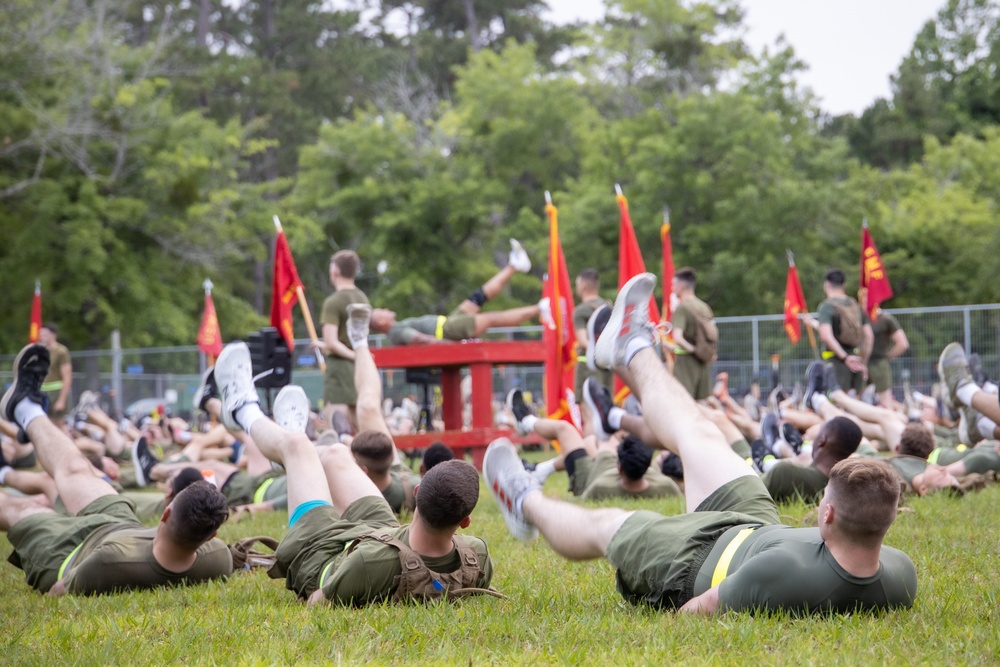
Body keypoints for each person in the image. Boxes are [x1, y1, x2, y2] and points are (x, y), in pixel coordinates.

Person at [484, 273, 916, 614]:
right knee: (700, 433)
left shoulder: (784, 572)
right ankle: (630, 347)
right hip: (754, 527)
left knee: (608, 525)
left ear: (828, 513)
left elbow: (693, 613)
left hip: (689, 559)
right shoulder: (900, 574)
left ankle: (522, 500)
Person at [211, 308, 494, 605]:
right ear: (465, 522)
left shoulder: (371, 565)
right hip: (387, 535)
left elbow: (317, 601)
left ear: (418, 491)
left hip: (323, 553)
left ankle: (243, 411)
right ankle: (287, 455)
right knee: (335, 453)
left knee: (298, 445)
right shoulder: (477, 555)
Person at [0, 344, 232, 595]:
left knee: (20, 509)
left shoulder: (108, 564)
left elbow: (59, 591)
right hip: (122, 528)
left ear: (165, 513)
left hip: (67, 556)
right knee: (77, 468)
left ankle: (25, 412)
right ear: (212, 536)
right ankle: (24, 407)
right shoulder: (219, 559)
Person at [508, 385, 681, 501]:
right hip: (614, 469)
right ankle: (539, 471)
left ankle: (526, 421)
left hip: (588, 477)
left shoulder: (600, 485)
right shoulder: (667, 487)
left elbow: (602, 440)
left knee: (568, 431)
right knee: (590, 441)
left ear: (619, 467)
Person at [368, 239, 548, 345]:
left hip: (446, 323)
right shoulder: (396, 331)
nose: (384, 308)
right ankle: (540, 308)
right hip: (446, 330)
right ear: (382, 321)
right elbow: (421, 339)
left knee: (477, 297)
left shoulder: (395, 329)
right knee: (490, 319)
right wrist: (455, 345)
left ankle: (515, 266)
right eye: (381, 311)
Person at [314, 249, 370, 433]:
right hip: (362, 367)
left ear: (335, 271)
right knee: (360, 426)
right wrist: (358, 356)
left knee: (335, 426)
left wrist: (351, 355)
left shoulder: (333, 302)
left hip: (340, 369)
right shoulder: (362, 297)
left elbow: (332, 342)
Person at [816, 269, 873, 395]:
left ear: (826, 285)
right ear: (844, 286)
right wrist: (862, 362)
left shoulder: (827, 307)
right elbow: (868, 337)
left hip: (836, 363)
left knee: (838, 404)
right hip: (857, 361)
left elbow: (826, 336)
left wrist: (845, 358)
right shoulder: (855, 306)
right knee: (857, 406)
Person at [670, 267, 716, 401]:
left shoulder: (682, 307)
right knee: (703, 403)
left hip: (686, 362)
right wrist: (702, 353)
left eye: (674, 284)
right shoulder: (705, 307)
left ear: (682, 286)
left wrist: (694, 350)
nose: (672, 288)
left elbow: (677, 338)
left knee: (684, 403)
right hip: (704, 362)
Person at [572, 269, 612, 400]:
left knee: (588, 412)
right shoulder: (609, 308)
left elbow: (584, 342)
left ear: (583, 286)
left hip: (588, 368)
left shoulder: (581, 310)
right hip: (608, 366)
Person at [868, 306, 909, 408]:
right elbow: (903, 344)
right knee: (884, 401)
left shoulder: (883, 318)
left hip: (868, 363)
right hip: (875, 364)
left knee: (883, 401)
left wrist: (886, 357)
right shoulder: (884, 318)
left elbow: (902, 344)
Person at [38, 323, 72, 426]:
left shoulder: (61, 351)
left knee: (58, 425)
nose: (42, 336)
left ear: (53, 335)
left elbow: (67, 377)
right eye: (41, 334)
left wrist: (61, 400)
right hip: (43, 392)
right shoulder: (41, 351)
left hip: (56, 392)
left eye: (45, 334)